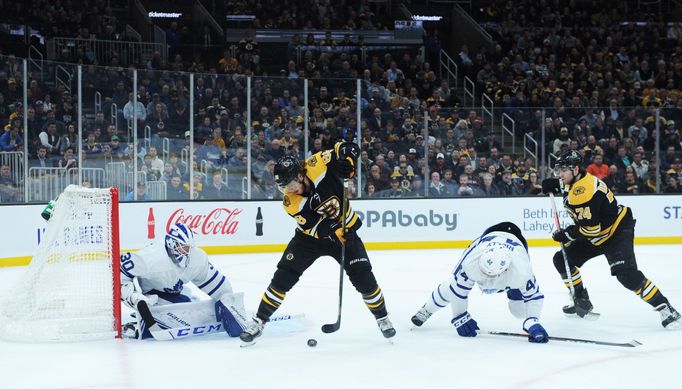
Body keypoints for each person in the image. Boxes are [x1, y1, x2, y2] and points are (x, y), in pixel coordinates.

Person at [240, 142, 396, 344]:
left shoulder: (316, 164)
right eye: (283, 186)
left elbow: (346, 147)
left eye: (289, 183)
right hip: (309, 239)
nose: (287, 189)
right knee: (283, 277)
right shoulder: (290, 202)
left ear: (299, 174)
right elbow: (316, 227)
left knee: (364, 277)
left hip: (345, 233)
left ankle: (382, 318)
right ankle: (258, 322)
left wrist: (347, 160)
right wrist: (336, 230)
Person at [542, 150, 680, 328]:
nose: (560, 175)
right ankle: (581, 299)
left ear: (576, 169)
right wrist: (556, 184)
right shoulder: (579, 178)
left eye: (563, 170)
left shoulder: (582, 192)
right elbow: (588, 222)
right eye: (558, 171)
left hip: (616, 231)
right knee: (562, 259)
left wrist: (567, 234)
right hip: (599, 232)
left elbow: (591, 229)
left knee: (626, 275)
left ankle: (666, 309)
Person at [410, 222, 548, 343]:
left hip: (514, 252)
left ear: (504, 271)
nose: (486, 279)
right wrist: (460, 316)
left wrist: (532, 321)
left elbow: (534, 297)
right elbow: (457, 290)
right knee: (451, 285)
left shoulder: (520, 270)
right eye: (483, 272)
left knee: (519, 312)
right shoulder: (471, 261)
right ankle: (427, 309)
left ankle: (512, 295)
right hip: (487, 240)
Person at [119, 223, 248, 339]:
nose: (188, 252)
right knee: (175, 317)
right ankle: (137, 326)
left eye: (189, 247)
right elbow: (120, 271)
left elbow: (216, 284)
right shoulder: (152, 258)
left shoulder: (197, 258)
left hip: (173, 291)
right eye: (184, 247)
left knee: (189, 308)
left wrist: (229, 303)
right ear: (172, 244)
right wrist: (133, 297)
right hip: (148, 295)